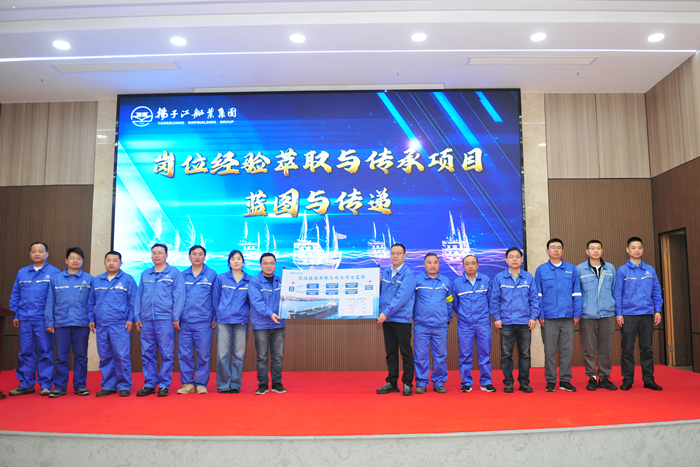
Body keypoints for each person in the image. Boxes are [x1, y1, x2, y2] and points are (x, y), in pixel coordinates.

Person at [9, 242, 61, 396]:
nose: (37, 254)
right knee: (25, 352)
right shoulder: (22, 272)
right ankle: (26, 384)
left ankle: (46, 385)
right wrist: (15, 314)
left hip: (43, 320)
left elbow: (57, 298)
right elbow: (15, 295)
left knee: (45, 352)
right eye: (34, 251)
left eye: (40, 251)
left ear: (47, 254)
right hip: (25, 319)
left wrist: (52, 319)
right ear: (30, 254)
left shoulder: (54, 272)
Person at [134, 243, 185, 397]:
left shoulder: (174, 273)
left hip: (165, 319)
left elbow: (179, 296)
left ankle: (164, 385)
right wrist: (137, 316)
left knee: (166, 353)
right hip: (146, 319)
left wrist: (176, 317)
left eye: (160, 253)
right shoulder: (145, 274)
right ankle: (149, 384)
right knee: (147, 353)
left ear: (166, 255)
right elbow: (139, 296)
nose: (156, 255)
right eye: (154, 253)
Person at [614, 237, 663, 391]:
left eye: (639, 247)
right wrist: (619, 314)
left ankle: (648, 379)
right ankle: (627, 379)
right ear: (627, 250)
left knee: (647, 348)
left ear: (643, 249)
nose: (637, 250)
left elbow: (656, 291)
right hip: (628, 315)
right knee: (627, 349)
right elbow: (617, 294)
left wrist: (658, 310)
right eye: (633, 247)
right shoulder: (622, 270)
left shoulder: (650, 270)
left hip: (647, 314)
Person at [44, 247, 95, 398]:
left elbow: (92, 303)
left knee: (81, 356)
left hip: (81, 323)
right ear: (66, 260)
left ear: (82, 261)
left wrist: (91, 320)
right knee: (61, 357)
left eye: (78, 258)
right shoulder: (56, 279)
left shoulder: (89, 279)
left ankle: (80, 386)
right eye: (72, 258)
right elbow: (50, 302)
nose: (75, 261)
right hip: (61, 324)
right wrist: (49, 322)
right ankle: (60, 387)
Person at [489, 247, 539, 393]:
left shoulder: (528, 277)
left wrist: (533, 317)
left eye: (517, 256)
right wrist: (497, 318)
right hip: (506, 322)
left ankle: (524, 382)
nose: (514, 259)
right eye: (511, 257)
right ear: (506, 260)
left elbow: (534, 299)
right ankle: (508, 382)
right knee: (506, 355)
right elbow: (494, 300)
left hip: (524, 322)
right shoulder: (499, 278)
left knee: (525, 354)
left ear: (521, 259)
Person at [88, 251, 137, 397]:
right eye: (108, 260)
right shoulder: (97, 280)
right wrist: (91, 319)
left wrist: (130, 319)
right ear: (104, 262)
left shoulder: (128, 279)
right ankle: (108, 385)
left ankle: (124, 385)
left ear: (120, 263)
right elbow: (91, 302)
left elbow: (133, 302)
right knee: (105, 356)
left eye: (115, 260)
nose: (111, 263)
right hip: (101, 324)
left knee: (122, 356)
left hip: (120, 324)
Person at [576, 240, 618, 391]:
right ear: (587, 251)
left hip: (607, 314)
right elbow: (577, 293)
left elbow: (614, 291)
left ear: (602, 250)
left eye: (598, 248)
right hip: (587, 315)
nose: (595, 251)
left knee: (606, 348)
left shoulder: (610, 268)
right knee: (589, 349)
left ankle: (604, 377)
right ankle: (591, 377)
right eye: (592, 248)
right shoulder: (579, 269)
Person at [176, 245, 218, 395]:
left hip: (204, 321)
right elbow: (178, 298)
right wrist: (176, 317)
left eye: (200, 254)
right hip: (185, 322)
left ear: (204, 257)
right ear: (189, 256)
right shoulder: (182, 275)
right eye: (194, 254)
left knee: (203, 354)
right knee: (184, 354)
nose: (197, 257)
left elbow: (215, 298)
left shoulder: (212, 274)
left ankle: (201, 384)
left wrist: (215, 316)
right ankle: (187, 384)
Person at [376, 243, 416, 396]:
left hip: (401, 319)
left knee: (406, 352)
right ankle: (392, 382)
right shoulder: (386, 272)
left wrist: (385, 313)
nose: (395, 256)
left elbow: (401, 298)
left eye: (398, 253)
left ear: (404, 255)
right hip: (387, 319)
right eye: (392, 253)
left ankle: (407, 383)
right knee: (391, 352)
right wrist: (378, 283)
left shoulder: (408, 275)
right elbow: (382, 293)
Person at [452, 255, 494, 393]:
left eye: (473, 263)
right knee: (465, 355)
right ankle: (466, 383)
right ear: (463, 266)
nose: (470, 266)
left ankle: (486, 382)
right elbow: (455, 305)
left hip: (483, 323)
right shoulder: (457, 283)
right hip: (465, 325)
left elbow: (490, 300)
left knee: (485, 353)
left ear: (477, 265)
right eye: (467, 264)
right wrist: (464, 315)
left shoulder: (486, 280)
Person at [213, 250, 252, 394]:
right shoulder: (221, 278)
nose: (236, 261)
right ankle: (223, 385)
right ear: (229, 262)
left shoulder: (250, 280)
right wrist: (216, 316)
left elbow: (251, 302)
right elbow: (215, 299)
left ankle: (235, 384)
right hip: (223, 321)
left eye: (239, 258)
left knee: (239, 355)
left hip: (241, 321)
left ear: (243, 262)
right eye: (233, 259)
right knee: (222, 354)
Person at [412, 253, 453, 394]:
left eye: (435, 262)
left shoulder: (446, 281)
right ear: (424, 265)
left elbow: (449, 301)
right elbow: (411, 301)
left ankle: (439, 382)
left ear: (439, 264)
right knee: (420, 356)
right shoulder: (417, 280)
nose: (432, 265)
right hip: (421, 325)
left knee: (440, 356)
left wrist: (447, 317)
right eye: (429, 262)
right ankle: (421, 382)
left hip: (440, 326)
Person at [248, 253, 285, 395]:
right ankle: (262, 384)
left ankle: (277, 383)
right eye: (265, 263)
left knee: (278, 357)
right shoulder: (254, 282)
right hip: (261, 325)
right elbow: (257, 303)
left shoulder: (281, 281)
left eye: (271, 263)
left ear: (275, 264)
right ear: (261, 265)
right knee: (262, 357)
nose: (269, 266)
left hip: (279, 324)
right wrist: (270, 314)